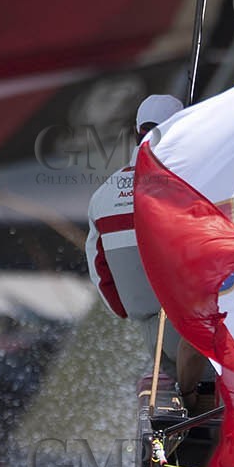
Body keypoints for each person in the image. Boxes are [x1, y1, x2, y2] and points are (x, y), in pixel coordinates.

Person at [83, 94, 205, 393]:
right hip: (194, 334)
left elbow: (99, 270)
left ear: (137, 131)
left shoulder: (104, 194)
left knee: (179, 417)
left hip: (150, 333)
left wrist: (125, 310)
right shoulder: (193, 184)